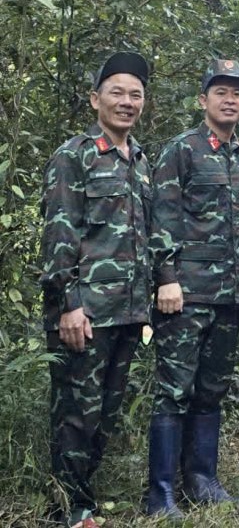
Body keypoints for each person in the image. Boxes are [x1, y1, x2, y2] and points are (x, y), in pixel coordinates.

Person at [40, 52, 153, 528]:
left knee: (106, 413)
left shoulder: (141, 161)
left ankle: (81, 500)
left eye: (135, 95)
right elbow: (59, 235)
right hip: (85, 312)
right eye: (117, 92)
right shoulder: (76, 155)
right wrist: (69, 305)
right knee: (76, 414)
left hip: (127, 313)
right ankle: (68, 510)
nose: (126, 102)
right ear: (95, 99)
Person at [144, 59, 239, 516]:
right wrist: (166, 278)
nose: (230, 99)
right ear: (204, 100)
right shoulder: (183, 150)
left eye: (237, 93)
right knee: (174, 390)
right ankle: (162, 491)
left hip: (229, 297)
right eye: (221, 92)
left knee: (212, 389)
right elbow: (162, 218)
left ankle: (202, 479)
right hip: (185, 296)